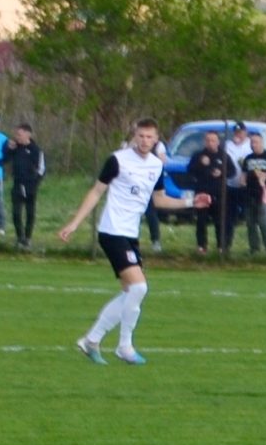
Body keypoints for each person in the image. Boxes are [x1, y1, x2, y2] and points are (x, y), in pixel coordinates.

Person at [57, 118, 210, 365]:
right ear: (134, 136)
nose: (144, 141)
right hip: (111, 231)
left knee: (130, 293)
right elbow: (97, 191)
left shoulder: (156, 166)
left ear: (156, 139)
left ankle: (91, 340)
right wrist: (74, 223)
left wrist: (191, 202)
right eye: (141, 136)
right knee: (139, 288)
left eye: (150, 137)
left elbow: (159, 201)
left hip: (130, 234)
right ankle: (124, 346)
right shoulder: (117, 160)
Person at [186, 130, 231, 255]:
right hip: (202, 193)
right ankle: (202, 246)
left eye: (213, 140)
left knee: (220, 221)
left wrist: (222, 172)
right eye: (208, 140)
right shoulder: (198, 155)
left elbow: (232, 171)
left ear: (218, 142)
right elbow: (190, 171)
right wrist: (202, 165)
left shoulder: (223, 156)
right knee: (201, 221)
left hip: (219, 193)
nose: (210, 143)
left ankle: (221, 247)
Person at [6, 123, 47, 250]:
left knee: (30, 213)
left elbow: (42, 169)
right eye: (16, 134)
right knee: (16, 213)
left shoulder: (36, 150)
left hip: (30, 186)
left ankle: (28, 239)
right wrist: (9, 149)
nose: (17, 137)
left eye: (19, 134)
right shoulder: (15, 148)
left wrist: (35, 183)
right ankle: (20, 238)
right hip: (17, 184)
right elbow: (5, 159)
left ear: (27, 134)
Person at [221, 122, 255, 247]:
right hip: (230, 185)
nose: (238, 135)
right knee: (228, 217)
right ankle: (226, 245)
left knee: (250, 217)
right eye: (236, 132)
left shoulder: (250, 145)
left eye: (240, 132)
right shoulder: (227, 146)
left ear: (245, 133)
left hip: (246, 186)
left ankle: (254, 247)